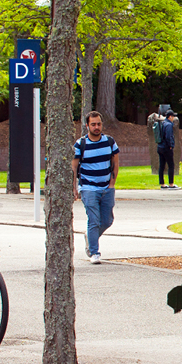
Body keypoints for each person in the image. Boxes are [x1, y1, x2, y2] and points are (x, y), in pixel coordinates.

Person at [72, 111, 119, 265]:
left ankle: (89, 237)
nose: (96, 127)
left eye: (98, 124)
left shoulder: (110, 142)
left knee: (107, 220)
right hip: (88, 188)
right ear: (87, 126)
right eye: (93, 124)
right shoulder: (80, 144)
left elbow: (115, 163)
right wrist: (74, 187)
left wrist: (112, 184)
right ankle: (94, 252)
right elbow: (74, 167)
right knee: (94, 220)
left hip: (106, 187)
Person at [158, 110, 178, 189]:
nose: (173, 118)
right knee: (171, 165)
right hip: (166, 148)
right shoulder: (169, 125)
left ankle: (162, 184)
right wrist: (171, 145)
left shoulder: (162, 123)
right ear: (170, 116)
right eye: (173, 116)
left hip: (160, 147)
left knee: (161, 166)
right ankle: (171, 184)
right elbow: (168, 136)